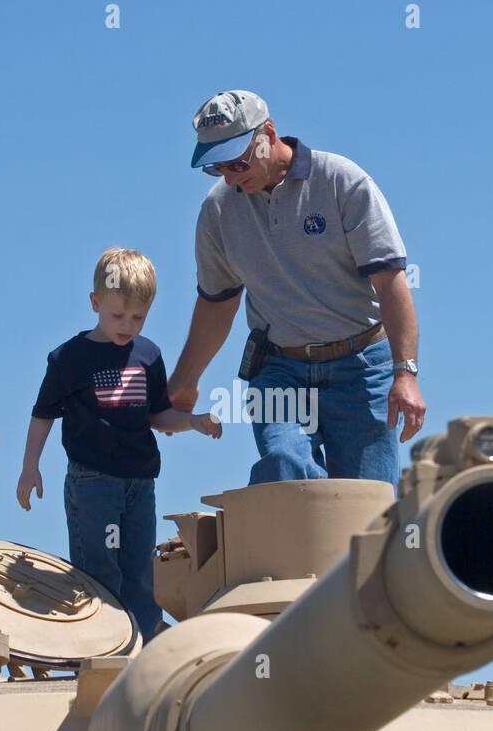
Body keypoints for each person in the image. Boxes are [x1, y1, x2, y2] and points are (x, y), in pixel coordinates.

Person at [167, 90, 425, 494]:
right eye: (218, 168)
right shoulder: (218, 211)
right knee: (283, 468)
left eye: (238, 162)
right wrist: (184, 381)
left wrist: (405, 373)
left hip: (363, 370)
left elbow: (390, 282)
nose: (231, 177)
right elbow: (217, 306)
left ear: (268, 134)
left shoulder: (341, 181)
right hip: (279, 370)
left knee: (368, 506)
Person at [16, 247, 221, 642]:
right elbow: (43, 413)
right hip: (93, 484)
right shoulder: (69, 358)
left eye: (138, 317)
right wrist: (30, 466)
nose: (128, 325)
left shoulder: (148, 355)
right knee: (99, 574)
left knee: (142, 574)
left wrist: (193, 422)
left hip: (140, 484)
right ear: (95, 303)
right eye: (117, 315)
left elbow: (157, 415)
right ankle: (102, 655)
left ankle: (142, 656)